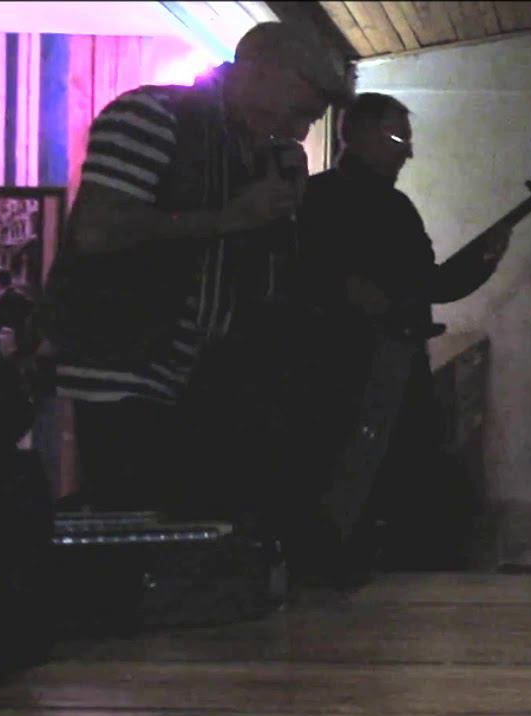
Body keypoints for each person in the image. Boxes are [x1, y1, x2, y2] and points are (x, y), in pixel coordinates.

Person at [42, 22, 351, 520]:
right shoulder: (153, 115)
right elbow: (98, 230)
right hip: (123, 359)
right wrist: (233, 217)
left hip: (192, 371)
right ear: (263, 71)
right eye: (300, 113)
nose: (298, 132)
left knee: (187, 525)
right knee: (136, 520)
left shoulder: (248, 150)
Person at [294, 92, 511, 585]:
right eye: (397, 138)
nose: (407, 151)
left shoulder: (395, 207)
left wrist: (483, 261)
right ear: (359, 136)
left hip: (397, 367)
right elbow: (307, 278)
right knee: (346, 493)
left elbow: (429, 284)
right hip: (341, 376)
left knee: (398, 494)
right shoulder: (319, 199)